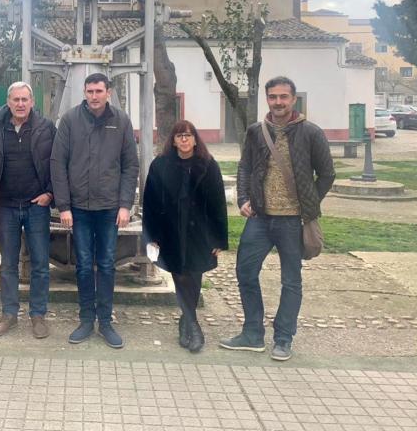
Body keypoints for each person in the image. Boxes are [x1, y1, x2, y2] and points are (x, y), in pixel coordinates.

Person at [220, 76, 335, 361]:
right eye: (273, 97)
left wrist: (309, 203)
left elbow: (327, 174)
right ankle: (252, 333)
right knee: (245, 272)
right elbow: (245, 166)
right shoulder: (257, 132)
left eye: (284, 97)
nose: (278, 102)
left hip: (292, 221)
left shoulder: (310, 132)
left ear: (294, 99)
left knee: (291, 281)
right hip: (259, 218)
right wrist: (244, 198)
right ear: (267, 99)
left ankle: (283, 338)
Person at [50, 73, 138, 348]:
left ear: (108, 92)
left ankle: (106, 322)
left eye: (99, 91)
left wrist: (125, 205)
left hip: (110, 209)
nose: (94, 96)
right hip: (79, 209)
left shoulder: (121, 121)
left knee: (108, 265)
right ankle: (86, 319)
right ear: (85, 93)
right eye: (89, 91)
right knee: (84, 266)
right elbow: (58, 163)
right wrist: (64, 206)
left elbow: (130, 165)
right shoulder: (71, 120)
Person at [142, 120, 228, 353]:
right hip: (170, 230)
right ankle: (193, 325)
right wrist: (151, 234)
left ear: (195, 139)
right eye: (179, 135)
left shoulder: (208, 165)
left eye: (188, 135)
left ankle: (187, 322)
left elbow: (218, 202)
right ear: (173, 140)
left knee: (195, 274)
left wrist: (218, 237)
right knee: (179, 275)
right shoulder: (160, 165)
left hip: (199, 232)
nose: (184, 140)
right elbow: (149, 201)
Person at [0, 82, 56, 339]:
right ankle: (9, 313)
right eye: (16, 100)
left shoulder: (46, 129)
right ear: (9, 102)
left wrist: (50, 194)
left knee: (40, 264)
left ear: (32, 102)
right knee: (8, 264)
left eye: (25, 99)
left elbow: (58, 164)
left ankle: (38, 315)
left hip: (37, 206)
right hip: (6, 207)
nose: (21, 104)